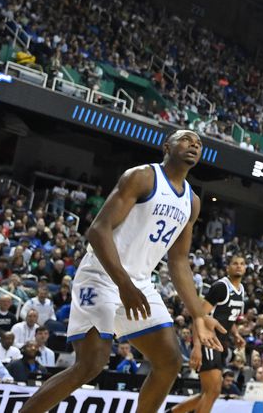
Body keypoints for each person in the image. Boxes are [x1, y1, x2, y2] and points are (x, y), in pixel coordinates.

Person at [18, 130, 225, 413]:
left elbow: (178, 262)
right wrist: (124, 286)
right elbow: (98, 230)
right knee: (91, 363)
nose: (194, 145)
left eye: (199, 144)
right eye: (186, 139)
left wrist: (199, 315)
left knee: (170, 361)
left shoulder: (192, 201)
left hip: (138, 283)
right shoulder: (141, 177)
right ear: (167, 146)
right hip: (101, 275)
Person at [173, 255, 247, 413]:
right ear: (227, 267)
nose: (239, 266)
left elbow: (229, 317)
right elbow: (198, 316)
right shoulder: (220, 287)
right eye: (235, 263)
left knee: (207, 393)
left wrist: (235, 335)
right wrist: (197, 347)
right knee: (213, 391)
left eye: (242, 264)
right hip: (207, 341)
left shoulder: (241, 290)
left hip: (220, 343)